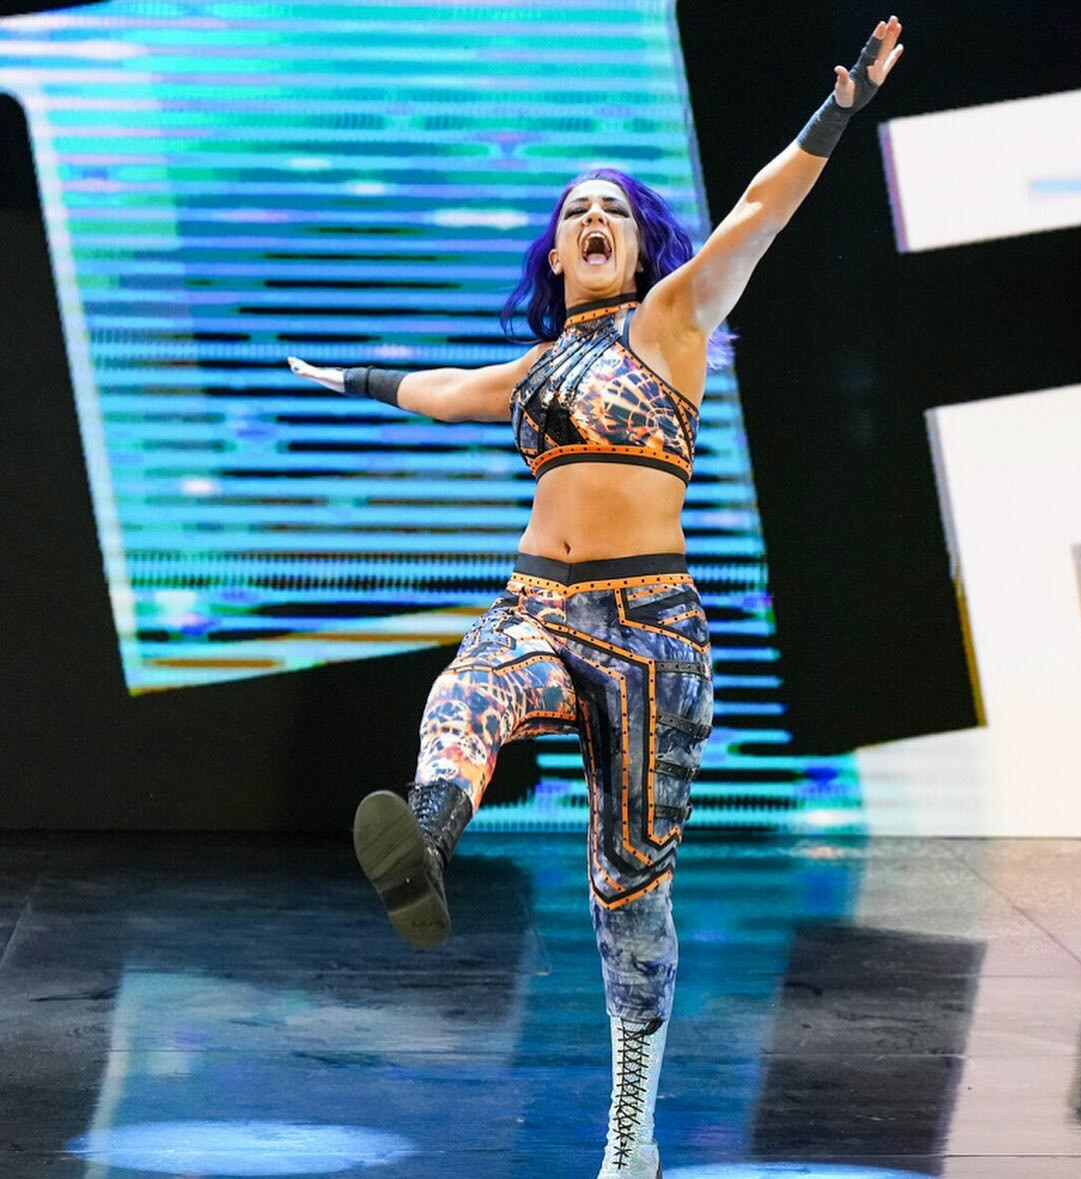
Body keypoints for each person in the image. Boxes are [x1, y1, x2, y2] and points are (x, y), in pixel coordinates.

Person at [287, 18, 903, 1177]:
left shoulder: (671, 324)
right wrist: (346, 377)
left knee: (629, 898)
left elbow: (759, 212)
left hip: (648, 633)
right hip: (538, 607)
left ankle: (632, 1139)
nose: (595, 218)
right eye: (577, 212)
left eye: (614, 208)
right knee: (463, 695)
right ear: (559, 257)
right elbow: (440, 389)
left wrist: (840, 109)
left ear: (638, 244)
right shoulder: (533, 371)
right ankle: (427, 841)